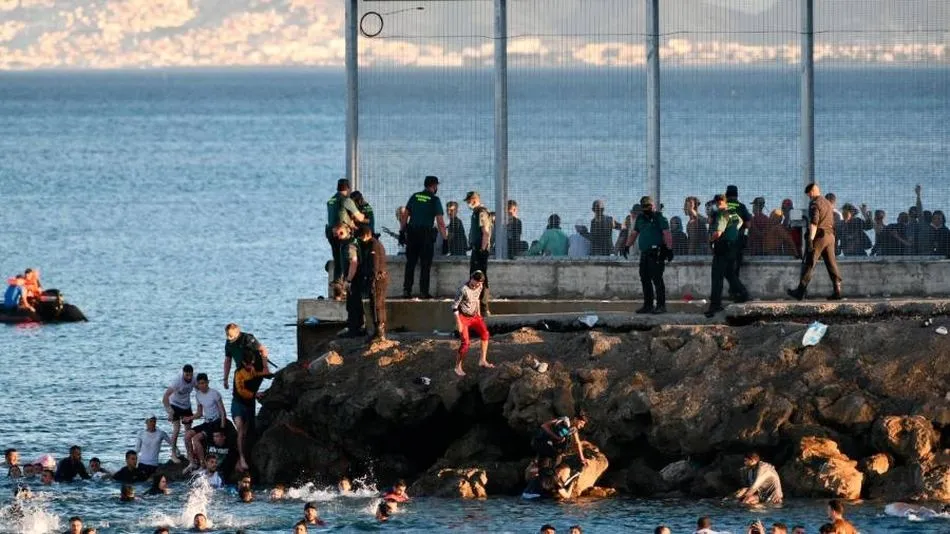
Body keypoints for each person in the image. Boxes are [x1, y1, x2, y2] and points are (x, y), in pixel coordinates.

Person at [787, 183, 843, 301]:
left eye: (809, 194)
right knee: (831, 263)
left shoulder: (815, 203)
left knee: (810, 262)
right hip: (830, 236)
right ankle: (837, 290)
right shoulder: (828, 203)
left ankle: (800, 291)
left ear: (812, 192)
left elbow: (814, 223)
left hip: (819, 237)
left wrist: (810, 240)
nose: (809, 197)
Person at [402, 175, 448, 298]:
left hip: (412, 234)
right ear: (434, 186)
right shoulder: (434, 200)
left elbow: (405, 215)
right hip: (425, 235)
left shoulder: (415, 196)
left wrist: (402, 231)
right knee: (425, 264)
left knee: (410, 263)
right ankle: (423, 292)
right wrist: (445, 239)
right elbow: (440, 222)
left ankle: (407, 290)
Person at [625, 196, 672, 314]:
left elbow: (666, 233)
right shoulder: (640, 218)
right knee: (644, 278)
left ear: (653, 206)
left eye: (649, 206)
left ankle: (661, 306)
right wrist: (626, 246)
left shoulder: (659, 218)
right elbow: (634, 233)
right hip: (645, 253)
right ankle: (648, 305)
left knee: (657, 279)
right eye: (644, 207)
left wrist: (669, 249)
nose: (647, 209)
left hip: (657, 252)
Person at [706, 193, 750, 317]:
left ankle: (715, 305)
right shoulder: (732, 212)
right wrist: (732, 232)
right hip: (732, 248)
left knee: (717, 277)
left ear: (720, 203)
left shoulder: (722, 214)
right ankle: (743, 293)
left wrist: (710, 239)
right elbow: (740, 222)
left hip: (722, 247)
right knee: (729, 273)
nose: (717, 206)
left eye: (718, 203)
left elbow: (718, 233)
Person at [451, 271, 493, 377]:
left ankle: (482, 360)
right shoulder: (463, 290)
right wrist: (458, 323)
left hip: (474, 316)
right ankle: (457, 367)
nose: (476, 286)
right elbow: (454, 307)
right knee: (465, 343)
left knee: (485, 334)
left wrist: (479, 314)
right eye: (474, 284)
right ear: (471, 279)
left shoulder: (480, 286)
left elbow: (477, 299)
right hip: (463, 317)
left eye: (478, 284)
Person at [184, 373, 227, 473]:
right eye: (200, 384)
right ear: (197, 384)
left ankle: (203, 465)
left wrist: (222, 427)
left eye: (204, 383)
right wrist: (189, 418)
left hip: (216, 422)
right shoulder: (198, 395)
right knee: (187, 435)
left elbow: (223, 412)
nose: (202, 385)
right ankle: (192, 463)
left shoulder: (215, 393)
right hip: (207, 422)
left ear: (208, 382)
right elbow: (199, 413)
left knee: (196, 439)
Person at [232, 355, 268, 472]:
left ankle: (240, 458)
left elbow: (257, 375)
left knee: (246, 432)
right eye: (248, 364)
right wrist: (255, 394)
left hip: (249, 405)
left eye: (251, 364)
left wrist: (267, 374)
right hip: (238, 404)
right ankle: (241, 458)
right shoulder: (238, 373)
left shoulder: (252, 369)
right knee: (240, 429)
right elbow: (240, 391)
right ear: (243, 363)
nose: (250, 366)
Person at [326, 178, 366, 284]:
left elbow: (337, 216)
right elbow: (360, 217)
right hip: (342, 233)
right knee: (345, 258)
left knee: (337, 257)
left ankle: (336, 281)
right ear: (348, 188)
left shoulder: (331, 200)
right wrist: (364, 216)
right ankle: (344, 282)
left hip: (331, 232)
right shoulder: (346, 200)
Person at [357, 225, 389, 341]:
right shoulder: (373, 244)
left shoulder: (374, 245)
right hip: (378, 278)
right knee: (377, 304)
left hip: (377, 279)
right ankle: (379, 329)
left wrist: (372, 278)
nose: (361, 240)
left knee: (377, 305)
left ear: (366, 235)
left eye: (361, 237)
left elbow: (375, 263)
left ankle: (379, 330)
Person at [334, 224, 365, 337]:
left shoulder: (350, 245)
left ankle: (354, 330)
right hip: (353, 278)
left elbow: (353, 263)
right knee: (353, 303)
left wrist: (349, 280)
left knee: (353, 304)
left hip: (355, 278)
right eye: (336, 234)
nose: (338, 236)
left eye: (341, 233)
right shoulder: (345, 244)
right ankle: (357, 328)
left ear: (347, 231)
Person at [465, 191, 493, 314]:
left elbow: (485, 232)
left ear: (474, 200)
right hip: (476, 248)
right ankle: (475, 305)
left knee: (480, 277)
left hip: (480, 250)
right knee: (475, 276)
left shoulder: (481, 212)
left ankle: (483, 306)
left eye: (469, 201)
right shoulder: (476, 213)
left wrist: (482, 248)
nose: (468, 203)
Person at [223, 323, 270, 397]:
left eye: (231, 336)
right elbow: (228, 361)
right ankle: (257, 395)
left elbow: (264, 350)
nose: (228, 338)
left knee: (246, 395)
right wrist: (225, 379)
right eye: (227, 335)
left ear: (237, 332)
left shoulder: (247, 338)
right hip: (241, 370)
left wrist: (265, 368)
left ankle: (257, 395)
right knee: (237, 394)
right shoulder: (228, 342)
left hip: (255, 369)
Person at [163, 364, 195, 464]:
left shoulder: (194, 379)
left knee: (188, 431)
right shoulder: (177, 381)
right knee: (176, 429)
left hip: (186, 406)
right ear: (183, 373)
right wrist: (170, 411)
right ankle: (173, 454)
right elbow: (165, 397)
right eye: (186, 375)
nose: (189, 377)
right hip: (175, 404)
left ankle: (189, 454)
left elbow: (199, 389)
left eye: (190, 375)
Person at [725, 185, 752, 278]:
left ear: (726, 195)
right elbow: (748, 225)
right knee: (735, 269)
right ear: (736, 195)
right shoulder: (741, 207)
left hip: (723, 242)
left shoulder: (722, 206)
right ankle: (735, 284)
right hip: (737, 241)